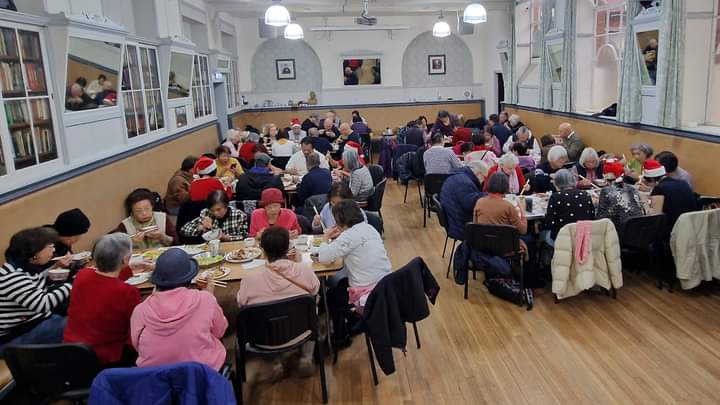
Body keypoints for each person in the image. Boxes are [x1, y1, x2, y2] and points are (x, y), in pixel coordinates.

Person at [236, 226, 320, 380]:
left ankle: (275, 362)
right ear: (288, 246)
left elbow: (241, 303)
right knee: (313, 303)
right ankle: (306, 357)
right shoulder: (304, 269)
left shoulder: (250, 279)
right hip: (302, 331)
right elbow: (315, 290)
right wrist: (299, 264)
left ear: (263, 250)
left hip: (262, 340)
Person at [131, 248, 227, 369]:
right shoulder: (205, 299)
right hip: (203, 375)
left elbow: (137, 346)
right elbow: (219, 331)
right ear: (190, 277)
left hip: (157, 381)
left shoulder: (140, 310)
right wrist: (209, 294)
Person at [63, 233, 141, 366]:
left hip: (73, 350)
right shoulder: (126, 291)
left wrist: (129, 269)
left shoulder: (82, 275)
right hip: (107, 356)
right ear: (125, 259)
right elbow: (136, 325)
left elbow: (104, 280)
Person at [319, 200, 391, 337]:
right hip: (386, 286)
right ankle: (352, 324)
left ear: (339, 219)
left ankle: (342, 336)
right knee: (340, 285)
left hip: (368, 293)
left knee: (331, 296)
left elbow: (324, 258)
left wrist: (325, 238)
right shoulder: (369, 228)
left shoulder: (348, 236)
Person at [0, 227, 70, 351]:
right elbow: (42, 304)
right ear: (34, 253)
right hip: (13, 336)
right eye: (50, 246)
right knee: (79, 323)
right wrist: (72, 285)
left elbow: (32, 281)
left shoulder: (23, 266)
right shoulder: (13, 277)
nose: (53, 250)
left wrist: (55, 267)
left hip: (31, 322)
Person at [644, 159, 698, 238]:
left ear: (651, 179)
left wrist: (644, 200)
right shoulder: (682, 182)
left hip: (671, 230)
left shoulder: (660, 188)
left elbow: (654, 216)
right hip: (689, 225)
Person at [439, 160, 489, 241]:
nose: (483, 181)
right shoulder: (464, 183)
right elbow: (472, 205)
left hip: (453, 219)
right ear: (478, 173)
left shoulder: (459, 176)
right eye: (484, 177)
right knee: (493, 225)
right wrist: (489, 196)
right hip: (460, 225)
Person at [542, 169, 595, 243]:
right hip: (583, 237)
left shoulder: (555, 197)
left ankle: (545, 254)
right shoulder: (585, 194)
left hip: (562, 239)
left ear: (556, 182)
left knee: (542, 234)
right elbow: (592, 217)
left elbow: (549, 223)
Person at [596, 160, 645, 232]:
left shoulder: (606, 191)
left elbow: (601, 217)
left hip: (618, 231)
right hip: (638, 229)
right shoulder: (633, 189)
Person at [181, 190, 249, 241]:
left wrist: (225, 237)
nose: (215, 213)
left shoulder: (239, 215)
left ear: (226, 205)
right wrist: (201, 227)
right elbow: (183, 230)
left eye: (218, 209)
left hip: (231, 249)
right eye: (212, 210)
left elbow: (244, 236)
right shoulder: (206, 213)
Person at [165, 156, 197, 224]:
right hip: (175, 207)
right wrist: (196, 189)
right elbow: (182, 198)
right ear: (190, 169)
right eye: (196, 167)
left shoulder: (189, 175)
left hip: (184, 203)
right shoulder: (178, 180)